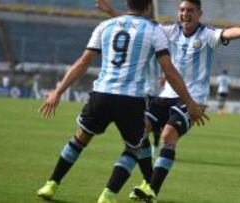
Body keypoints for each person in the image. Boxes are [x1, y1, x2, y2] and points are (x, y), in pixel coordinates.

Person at [36, 0, 207, 203]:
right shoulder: (154, 31)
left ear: (127, 4)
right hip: (131, 99)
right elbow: (169, 70)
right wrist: (190, 103)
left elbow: (83, 62)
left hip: (101, 94)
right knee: (134, 147)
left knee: (80, 138)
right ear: (148, 8)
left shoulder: (105, 26)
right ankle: (107, 196)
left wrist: (58, 91)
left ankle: (51, 184)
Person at [97, 0, 240, 202]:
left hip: (192, 99)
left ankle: (152, 190)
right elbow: (139, 27)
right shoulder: (168, 32)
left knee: (168, 136)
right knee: (139, 133)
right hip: (165, 95)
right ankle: (148, 182)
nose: (185, 13)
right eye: (182, 10)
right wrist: (112, 12)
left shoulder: (207, 35)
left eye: (190, 10)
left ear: (199, 13)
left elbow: (228, 33)